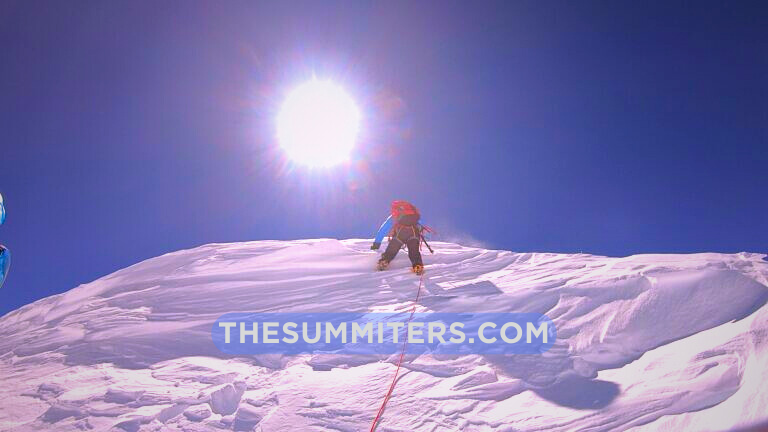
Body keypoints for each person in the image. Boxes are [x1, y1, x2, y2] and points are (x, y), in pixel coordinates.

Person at [371, 200, 427, 275]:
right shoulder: (413, 213)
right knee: (414, 252)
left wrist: (376, 244)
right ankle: (418, 267)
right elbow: (421, 224)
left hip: (400, 233)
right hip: (413, 233)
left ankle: (384, 262)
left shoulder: (395, 216)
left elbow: (383, 229)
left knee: (391, 250)